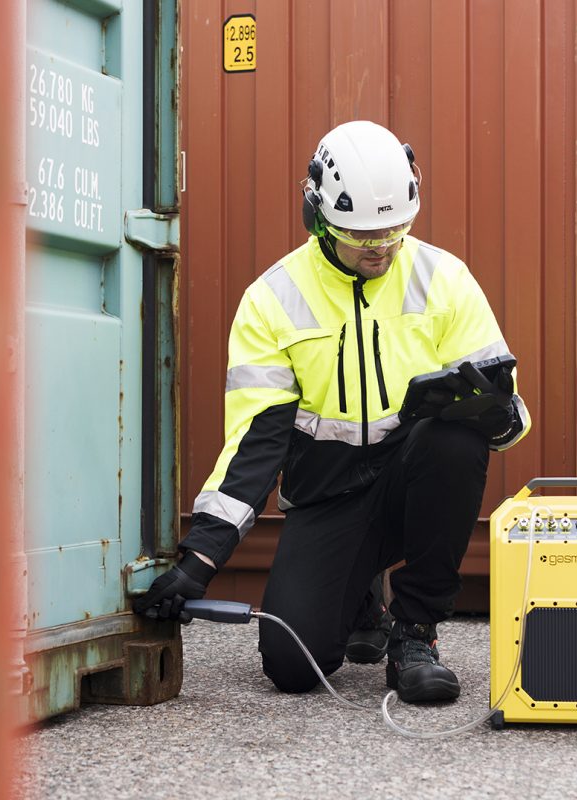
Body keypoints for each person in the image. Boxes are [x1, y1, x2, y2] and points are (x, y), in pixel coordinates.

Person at [133, 120, 530, 703]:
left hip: (412, 482)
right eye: (363, 237)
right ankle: (361, 596)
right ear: (316, 216)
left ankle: (415, 633)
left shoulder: (443, 279)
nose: (383, 249)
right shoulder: (272, 300)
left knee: (454, 440)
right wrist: (201, 558)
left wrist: (497, 417)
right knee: (292, 667)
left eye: (395, 231)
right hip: (330, 494)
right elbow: (257, 442)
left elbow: (509, 412)